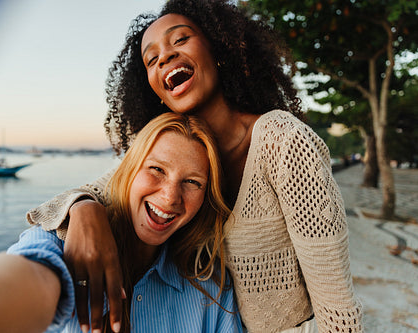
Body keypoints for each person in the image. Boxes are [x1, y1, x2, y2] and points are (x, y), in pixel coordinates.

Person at [28, 0, 363, 332]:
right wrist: (86, 211)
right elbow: (71, 202)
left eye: (180, 39)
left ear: (218, 50)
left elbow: (336, 299)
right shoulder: (171, 152)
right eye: (152, 59)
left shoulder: (281, 139)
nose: (166, 57)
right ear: (157, 91)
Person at [0, 113, 242, 333]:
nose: (171, 197)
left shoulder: (211, 287)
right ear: (126, 172)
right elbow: (29, 278)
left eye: (193, 182)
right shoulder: (62, 243)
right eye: (156, 169)